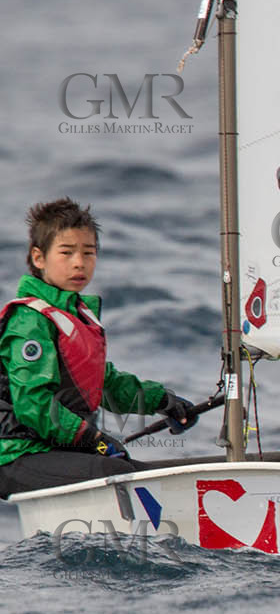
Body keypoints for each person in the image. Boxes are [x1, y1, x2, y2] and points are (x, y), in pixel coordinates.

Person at [0, 199, 197, 498]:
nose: (79, 262)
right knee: (119, 475)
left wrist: (163, 401)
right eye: (66, 253)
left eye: (88, 253)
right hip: (16, 455)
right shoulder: (30, 320)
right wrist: (93, 439)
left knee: (148, 476)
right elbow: (33, 405)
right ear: (38, 258)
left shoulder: (77, 316)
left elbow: (105, 383)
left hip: (53, 451)